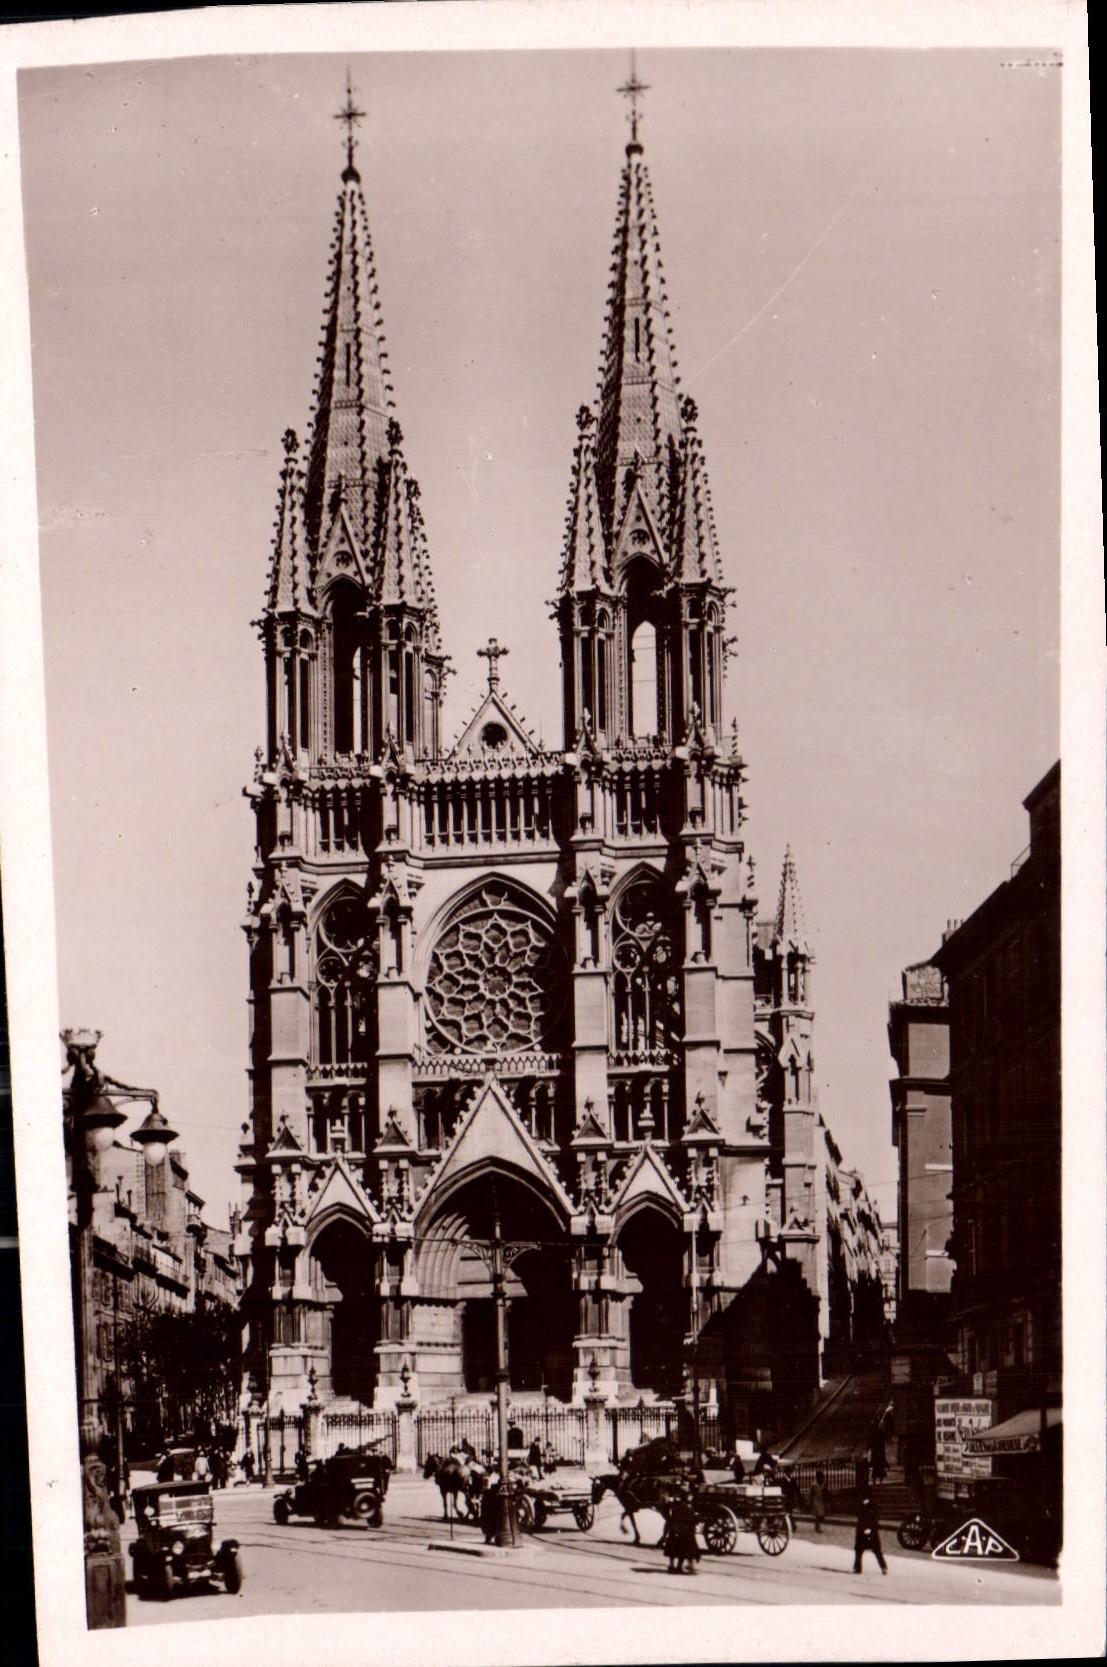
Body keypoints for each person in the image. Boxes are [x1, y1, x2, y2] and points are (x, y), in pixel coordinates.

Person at [661, 1484, 701, 1576]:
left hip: (680, 1530)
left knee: (676, 1549)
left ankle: (675, 1566)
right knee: (682, 1550)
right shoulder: (683, 1506)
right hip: (682, 1530)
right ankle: (679, 1566)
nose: (690, 1497)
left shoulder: (679, 1505)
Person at [853, 1491, 888, 1575]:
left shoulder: (871, 1505)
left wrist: (870, 1528)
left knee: (874, 1550)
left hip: (868, 1530)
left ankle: (883, 1567)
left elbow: (874, 1518)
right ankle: (858, 1567)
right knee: (860, 1549)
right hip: (863, 1529)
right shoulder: (863, 1504)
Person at [810, 1468, 827, 1534]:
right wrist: (810, 1502)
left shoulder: (824, 1484)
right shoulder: (813, 1485)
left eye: (822, 1477)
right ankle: (818, 1527)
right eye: (820, 1477)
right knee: (818, 1514)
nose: (822, 1479)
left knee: (821, 1515)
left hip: (822, 1501)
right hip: (815, 1501)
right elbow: (811, 1494)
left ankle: (817, 1525)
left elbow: (826, 1492)